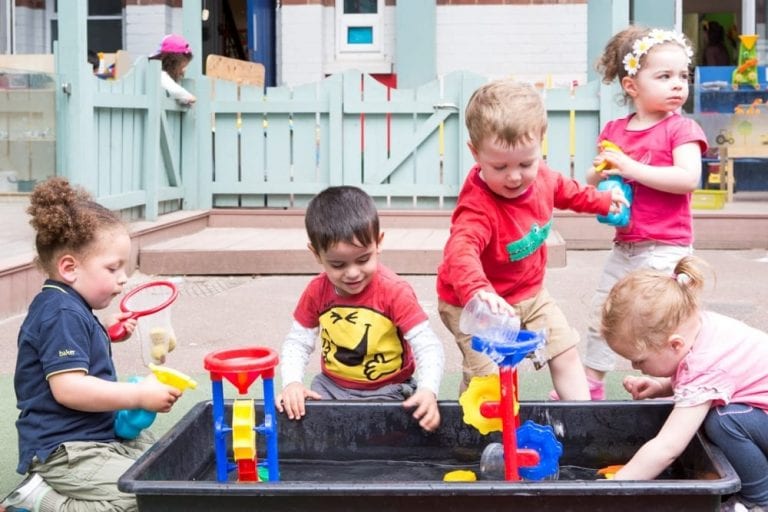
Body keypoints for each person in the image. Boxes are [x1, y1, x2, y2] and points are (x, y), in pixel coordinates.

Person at [436, 78, 629, 399]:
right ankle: (473, 431)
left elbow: (568, 191)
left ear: (540, 142)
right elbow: (461, 254)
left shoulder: (541, 177)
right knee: (488, 376)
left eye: (525, 163)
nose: (514, 176)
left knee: (564, 350)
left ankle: (581, 423)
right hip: (473, 302)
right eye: (499, 166)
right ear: (475, 153)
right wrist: (479, 291)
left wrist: (602, 201)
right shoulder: (478, 208)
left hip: (529, 293)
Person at [1, 177, 184, 512]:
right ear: (70, 267)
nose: (123, 277)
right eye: (112, 267)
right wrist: (138, 395)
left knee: (167, 466)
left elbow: (70, 350)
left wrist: (108, 333)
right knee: (144, 497)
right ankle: (39, 498)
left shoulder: (68, 305)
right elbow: (68, 388)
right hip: (66, 450)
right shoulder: (60, 313)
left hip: (98, 436)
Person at [581, 26, 708, 399]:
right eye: (664, 76)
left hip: (667, 248)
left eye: (683, 76)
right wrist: (604, 170)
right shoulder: (616, 130)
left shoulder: (681, 129)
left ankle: (682, 383)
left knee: (669, 321)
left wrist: (630, 167)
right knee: (605, 312)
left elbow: (688, 178)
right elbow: (595, 176)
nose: (677, 85)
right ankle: (591, 383)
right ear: (631, 86)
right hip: (626, 246)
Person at [601, 255, 768, 512]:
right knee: (713, 418)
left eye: (639, 359)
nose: (636, 367)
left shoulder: (706, 362)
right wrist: (662, 387)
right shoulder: (698, 327)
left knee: (722, 421)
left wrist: (612, 488)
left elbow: (668, 447)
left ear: (675, 344)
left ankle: (760, 498)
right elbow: (717, 377)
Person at [276, 185, 445, 431]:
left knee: (390, 431)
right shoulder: (316, 291)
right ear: (316, 254)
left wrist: (428, 389)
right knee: (302, 416)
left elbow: (427, 345)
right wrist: (292, 383)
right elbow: (297, 342)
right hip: (332, 388)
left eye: (363, 259)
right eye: (337, 264)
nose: (352, 273)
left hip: (388, 391)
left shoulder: (394, 291)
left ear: (379, 243)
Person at [149, 33, 196, 105]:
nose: (184, 70)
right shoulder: (160, 74)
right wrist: (189, 97)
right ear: (172, 63)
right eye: (182, 67)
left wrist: (184, 100)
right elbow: (174, 90)